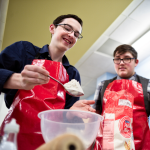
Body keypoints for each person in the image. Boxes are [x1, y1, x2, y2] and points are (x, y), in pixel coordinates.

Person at [0, 14, 95, 150]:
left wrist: (70, 113)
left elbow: (67, 119)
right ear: (52, 28)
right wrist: (18, 80)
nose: (71, 35)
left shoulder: (72, 74)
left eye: (76, 34)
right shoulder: (24, 51)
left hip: (50, 143)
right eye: (67, 28)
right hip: (12, 137)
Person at [92, 44, 150, 150]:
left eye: (127, 59)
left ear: (136, 62)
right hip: (107, 144)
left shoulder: (147, 85)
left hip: (139, 145)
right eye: (118, 59)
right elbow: (95, 117)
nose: (121, 63)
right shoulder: (103, 85)